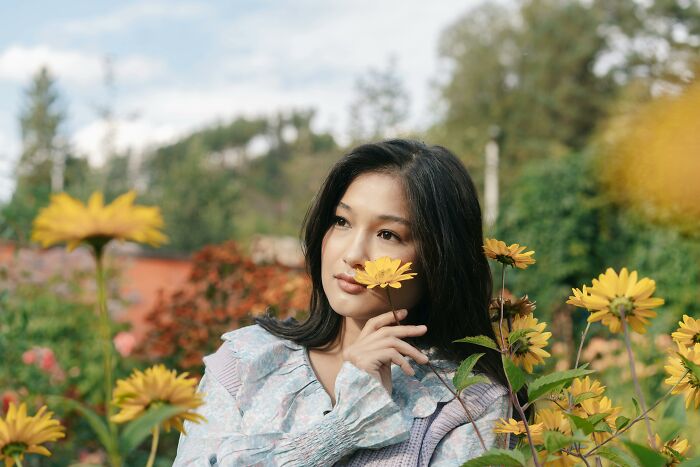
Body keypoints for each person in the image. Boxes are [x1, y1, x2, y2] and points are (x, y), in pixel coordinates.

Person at [174, 139, 512, 466]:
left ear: (439, 260)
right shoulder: (247, 361)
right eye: (342, 222)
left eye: (388, 234)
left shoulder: (467, 401)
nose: (352, 255)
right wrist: (341, 429)